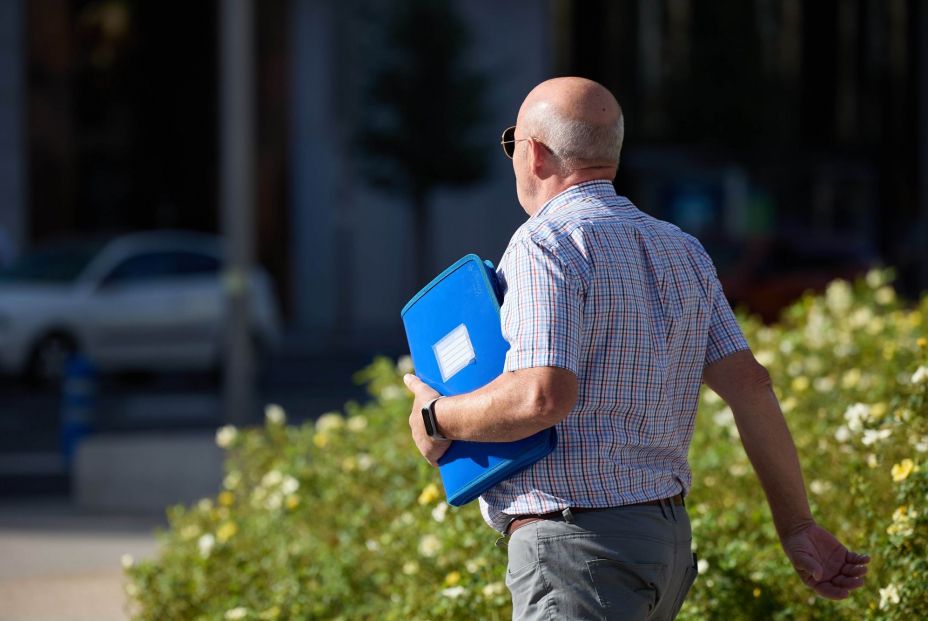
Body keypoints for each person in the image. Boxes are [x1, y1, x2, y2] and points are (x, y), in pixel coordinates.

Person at [402, 77, 869, 620]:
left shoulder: (544, 242)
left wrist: (437, 418)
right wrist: (797, 526)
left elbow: (542, 397)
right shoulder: (682, 249)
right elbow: (752, 387)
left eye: (512, 144)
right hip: (664, 544)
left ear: (533, 153)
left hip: (577, 550)